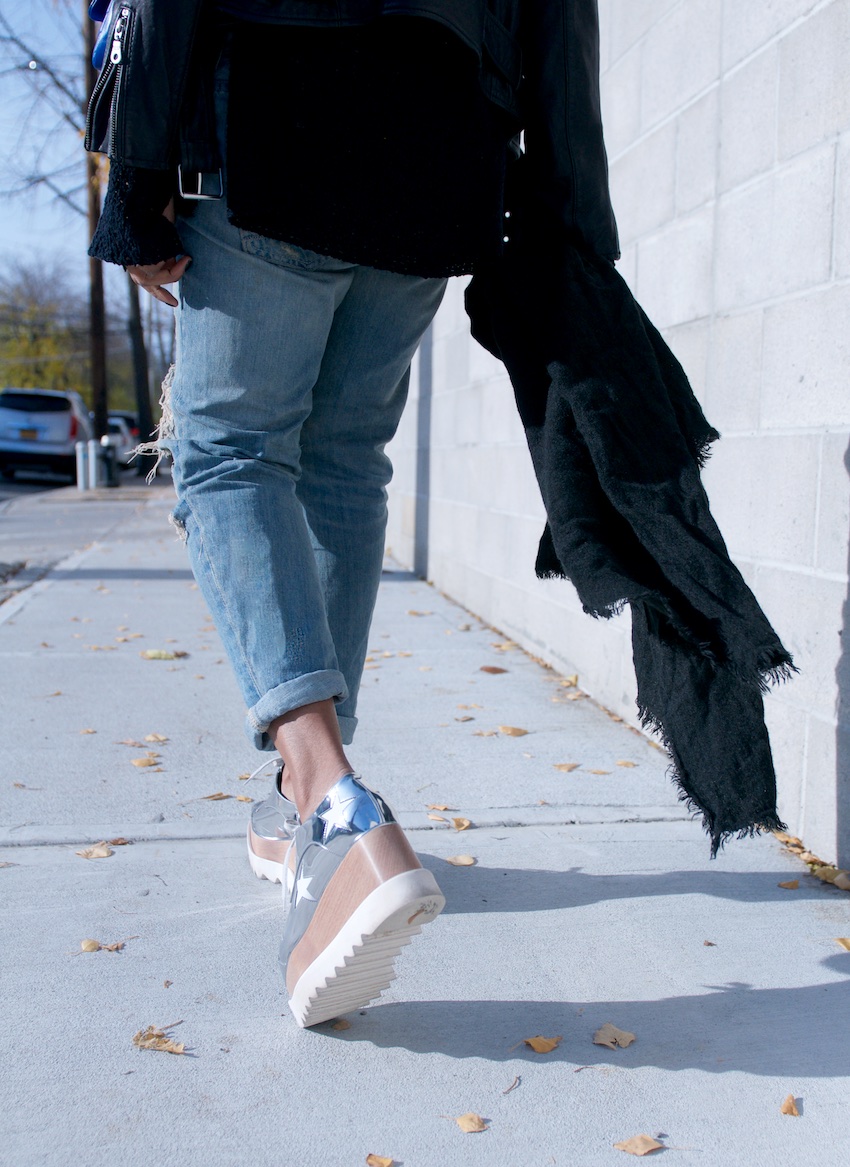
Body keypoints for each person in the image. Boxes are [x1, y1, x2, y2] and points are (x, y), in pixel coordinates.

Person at [86, 0, 620, 1027]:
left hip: (283, 106)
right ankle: (304, 807)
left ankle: (330, 800)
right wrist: (570, 219)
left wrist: (137, 180)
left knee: (230, 452)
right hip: (443, 155)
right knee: (342, 462)